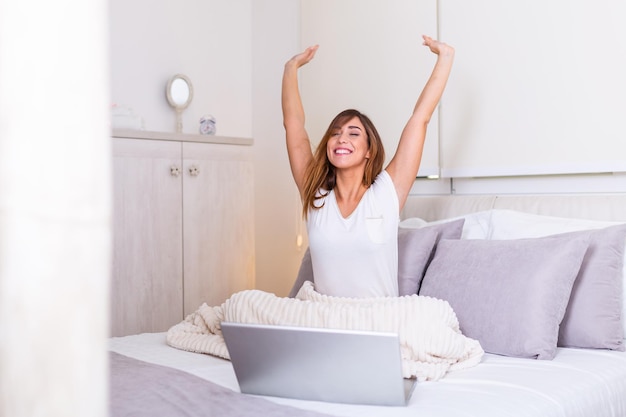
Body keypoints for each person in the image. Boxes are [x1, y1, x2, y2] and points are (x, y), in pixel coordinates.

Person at [282, 35, 454, 298]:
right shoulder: (316, 196)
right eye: (336, 133)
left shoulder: (386, 192)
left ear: (369, 150)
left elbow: (421, 118)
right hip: (325, 320)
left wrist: (445, 57)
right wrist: (290, 68)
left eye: (353, 134)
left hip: (376, 321)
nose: (341, 138)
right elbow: (293, 125)